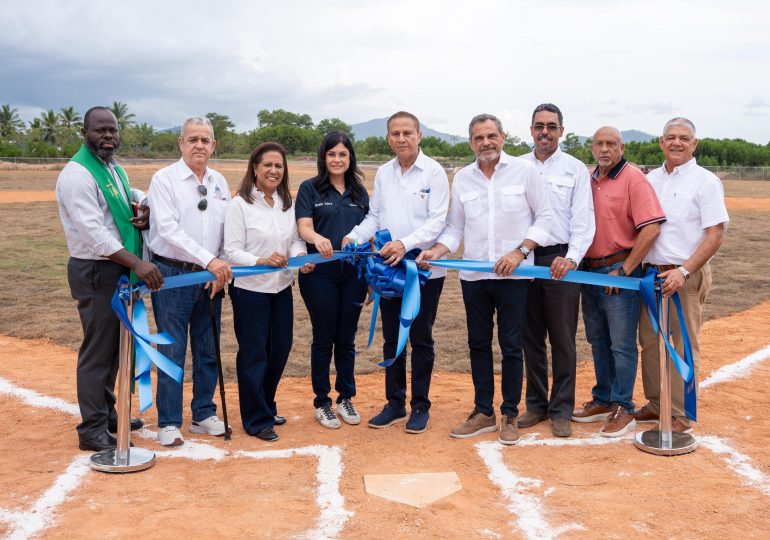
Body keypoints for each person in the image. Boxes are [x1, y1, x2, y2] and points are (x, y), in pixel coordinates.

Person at [418, 114, 553, 445]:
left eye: (491, 136)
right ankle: (483, 411)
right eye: (479, 138)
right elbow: (455, 228)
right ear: (471, 143)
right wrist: (436, 250)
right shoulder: (463, 178)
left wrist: (520, 251)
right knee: (477, 344)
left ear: (503, 137)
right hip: (474, 277)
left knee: (511, 346)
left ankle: (509, 413)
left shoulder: (525, 172)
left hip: (514, 276)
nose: (486, 143)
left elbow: (546, 218)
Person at [56, 106, 164, 451]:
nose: (108, 136)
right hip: (96, 271)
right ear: (85, 133)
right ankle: (92, 429)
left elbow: (129, 194)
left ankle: (108, 413)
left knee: (117, 348)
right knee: (98, 350)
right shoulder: (77, 175)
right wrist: (140, 264)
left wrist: (146, 202)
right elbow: (94, 236)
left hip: (117, 269)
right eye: (100, 130)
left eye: (113, 131)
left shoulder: (111, 167)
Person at [342, 111, 449, 434]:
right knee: (392, 338)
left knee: (420, 338)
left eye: (407, 133)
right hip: (388, 269)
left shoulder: (434, 173)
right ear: (388, 138)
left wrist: (405, 244)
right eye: (395, 134)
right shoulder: (384, 174)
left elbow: (438, 220)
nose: (401, 139)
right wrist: (355, 237)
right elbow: (375, 216)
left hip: (423, 269)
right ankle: (395, 403)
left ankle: (420, 406)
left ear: (419, 135)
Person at [635, 118, 728, 433]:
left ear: (694, 143)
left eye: (684, 138)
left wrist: (685, 271)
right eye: (671, 137)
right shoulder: (650, 180)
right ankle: (657, 403)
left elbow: (715, 235)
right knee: (650, 342)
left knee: (683, 343)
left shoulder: (705, 181)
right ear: (661, 142)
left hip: (685, 275)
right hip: (651, 277)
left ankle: (681, 413)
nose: (677, 142)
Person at [573, 126, 665, 437]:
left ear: (621, 147)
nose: (604, 149)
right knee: (597, 340)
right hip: (589, 271)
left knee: (622, 344)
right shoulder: (589, 179)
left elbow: (651, 228)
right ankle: (603, 397)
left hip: (618, 271)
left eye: (611, 143)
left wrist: (625, 270)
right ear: (591, 147)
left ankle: (623, 405)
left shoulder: (634, 178)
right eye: (598, 143)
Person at [147, 116, 232, 447]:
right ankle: (169, 420)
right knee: (172, 348)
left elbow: (224, 229)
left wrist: (220, 266)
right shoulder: (164, 179)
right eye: (192, 139)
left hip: (211, 276)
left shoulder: (219, 181)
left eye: (205, 140)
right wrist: (208, 260)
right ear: (180, 144)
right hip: (174, 274)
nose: (199, 145)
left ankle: (203, 412)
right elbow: (167, 229)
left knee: (207, 346)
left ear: (213, 145)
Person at [225, 142, 311, 442]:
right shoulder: (240, 204)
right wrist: (260, 261)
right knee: (254, 352)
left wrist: (301, 258)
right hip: (250, 290)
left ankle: (267, 404)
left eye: (279, 166)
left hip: (282, 287)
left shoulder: (288, 203)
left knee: (280, 348)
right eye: (267, 165)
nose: (274, 170)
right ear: (255, 168)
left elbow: (296, 241)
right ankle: (256, 418)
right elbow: (231, 251)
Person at [518, 104, 595, 438]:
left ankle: (562, 408)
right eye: (539, 125)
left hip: (560, 261)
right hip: (523, 259)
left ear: (562, 131)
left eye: (551, 125)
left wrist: (573, 258)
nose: (544, 131)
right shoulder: (516, 166)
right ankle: (536, 404)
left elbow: (583, 221)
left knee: (562, 338)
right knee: (529, 337)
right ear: (531, 129)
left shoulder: (575, 169)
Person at [296, 132, 369, 429]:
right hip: (320, 274)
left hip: (353, 274)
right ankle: (322, 401)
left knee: (347, 338)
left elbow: (370, 233)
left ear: (350, 158)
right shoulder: (310, 189)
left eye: (342, 154)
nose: (337, 159)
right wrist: (317, 239)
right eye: (331, 154)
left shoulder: (360, 193)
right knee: (324, 336)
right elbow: (303, 227)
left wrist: (371, 281)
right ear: (323, 158)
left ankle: (345, 397)